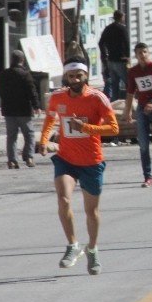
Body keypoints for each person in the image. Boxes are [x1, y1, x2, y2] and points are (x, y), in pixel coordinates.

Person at [36, 58, 119, 274]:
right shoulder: (57, 98)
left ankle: (92, 249)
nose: (75, 80)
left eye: (79, 76)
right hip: (66, 159)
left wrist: (87, 127)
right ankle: (73, 245)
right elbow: (49, 120)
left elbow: (113, 128)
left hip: (92, 161)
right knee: (63, 199)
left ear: (86, 76)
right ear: (65, 77)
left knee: (91, 211)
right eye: (71, 76)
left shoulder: (97, 98)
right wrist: (44, 141)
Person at [124, 43, 152, 188]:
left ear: (148, 53)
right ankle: (148, 176)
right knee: (143, 144)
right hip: (142, 109)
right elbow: (130, 93)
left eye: (144, 52)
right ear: (136, 56)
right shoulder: (133, 72)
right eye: (139, 53)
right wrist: (128, 111)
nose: (142, 55)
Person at [0, 50, 41, 169]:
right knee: (29, 134)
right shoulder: (25, 74)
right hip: (24, 110)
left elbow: (0, 90)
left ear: (12, 60)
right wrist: (36, 106)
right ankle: (29, 157)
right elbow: (32, 91)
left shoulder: (4, 74)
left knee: (11, 136)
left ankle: (12, 161)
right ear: (22, 60)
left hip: (9, 110)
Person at [98, 10, 130, 101]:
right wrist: (127, 56)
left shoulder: (107, 28)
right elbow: (127, 43)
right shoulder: (122, 29)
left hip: (111, 61)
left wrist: (105, 56)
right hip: (121, 60)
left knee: (114, 85)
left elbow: (101, 43)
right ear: (121, 17)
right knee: (129, 84)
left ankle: (114, 104)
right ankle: (130, 104)